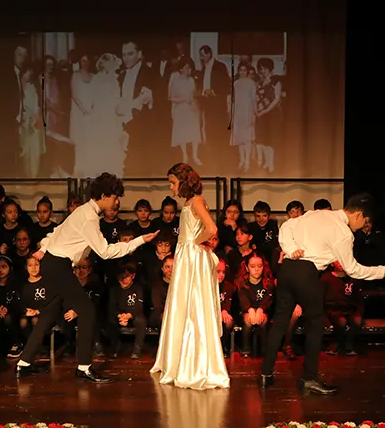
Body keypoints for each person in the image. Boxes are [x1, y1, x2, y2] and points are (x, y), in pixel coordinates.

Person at [259, 193, 385, 395]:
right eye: (364, 222)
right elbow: (353, 270)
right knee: (316, 324)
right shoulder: (343, 233)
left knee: (280, 320)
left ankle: (265, 373)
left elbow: (287, 226)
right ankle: (309, 379)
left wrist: (291, 249)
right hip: (307, 272)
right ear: (358, 214)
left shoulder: (317, 214)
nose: (362, 227)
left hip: (287, 269)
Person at [20, 172, 158, 383]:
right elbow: (105, 251)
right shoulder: (89, 217)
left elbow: (57, 231)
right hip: (58, 265)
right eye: (114, 197)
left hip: (53, 263)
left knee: (50, 312)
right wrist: (138, 241)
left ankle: (23, 363)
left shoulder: (83, 211)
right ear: (103, 196)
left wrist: (43, 249)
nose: (116, 202)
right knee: (87, 310)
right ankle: (84, 367)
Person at [151, 163, 229, 390]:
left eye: (173, 183)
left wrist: (194, 242)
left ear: (183, 182)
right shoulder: (188, 203)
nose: (171, 187)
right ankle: (179, 358)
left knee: (195, 305)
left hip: (193, 258)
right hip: (187, 256)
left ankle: (195, 362)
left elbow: (212, 228)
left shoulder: (196, 201)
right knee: (183, 305)